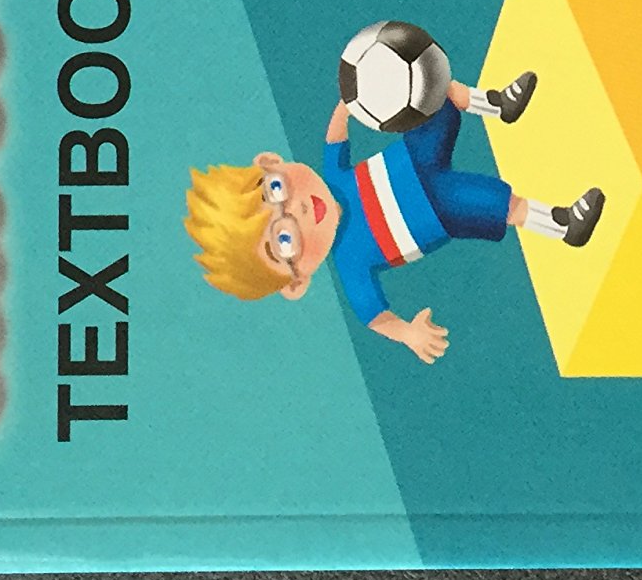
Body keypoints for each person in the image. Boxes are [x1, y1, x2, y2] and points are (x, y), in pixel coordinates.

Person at [185, 68, 604, 364]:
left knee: (434, 95)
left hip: (417, 155)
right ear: (297, 282)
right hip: (438, 208)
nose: (297, 209)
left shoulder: (333, 176)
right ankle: (565, 224)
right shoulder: (351, 265)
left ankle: (496, 104)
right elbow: (374, 316)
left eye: (275, 190)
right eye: (284, 241)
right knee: (501, 203)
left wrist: (349, 103)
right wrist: (408, 334)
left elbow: (336, 139)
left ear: (271, 162)